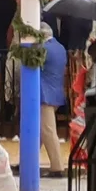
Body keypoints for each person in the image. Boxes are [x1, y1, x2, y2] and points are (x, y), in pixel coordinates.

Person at [38, 26, 68, 174]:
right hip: (56, 93)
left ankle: (57, 166)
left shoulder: (44, 49)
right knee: (39, 131)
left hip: (44, 95)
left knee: (48, 131)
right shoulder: (60, 48)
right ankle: (27, 162)